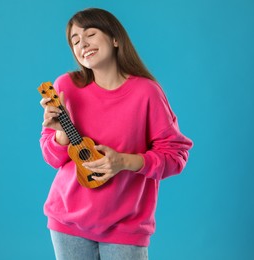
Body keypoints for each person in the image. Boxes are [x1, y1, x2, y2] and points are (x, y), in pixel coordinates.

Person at [39, 8, 193, 260]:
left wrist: (124, 162)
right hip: (67, 221)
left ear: (115, 39)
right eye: (75, 41)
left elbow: (175, 156)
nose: (83, 43)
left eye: (90, 34)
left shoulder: (147, 93)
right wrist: (60, 138)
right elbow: (52, 157)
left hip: (127, 225)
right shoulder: (65, 86)